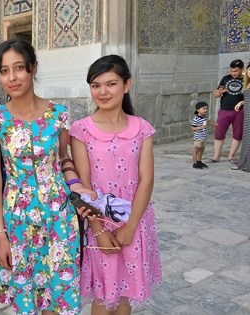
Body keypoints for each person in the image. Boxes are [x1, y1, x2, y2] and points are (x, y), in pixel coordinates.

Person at [0, 38, 86, 314]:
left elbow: (65, 159)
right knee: (26, 298)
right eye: (4, 71)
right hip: (17, 219)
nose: (12, 77)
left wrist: (82, 192)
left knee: (56, 296)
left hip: (59, 216)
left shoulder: (59, 114)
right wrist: (0, 234)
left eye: (19, 68)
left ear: (33, 68)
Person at [69, 55, 162, 315]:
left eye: (111, 84)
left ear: (127, 85)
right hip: (100, 222)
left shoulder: (142, 128)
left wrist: (131, 226)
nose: (103, 91)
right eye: (96, 85)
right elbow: (84, 185)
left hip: (136, 220)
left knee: (125, 297)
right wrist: (98, 229)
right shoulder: (81, 130)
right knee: (103, 295)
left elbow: (147, 179)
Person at [209, 59, 244, 164]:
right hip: (224, 110)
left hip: (239, 112)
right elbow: (215, 95)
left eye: (236, 71)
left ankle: (231, 156)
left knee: (237, 134)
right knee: (219, 133)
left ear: (241, 70)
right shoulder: (225, 79)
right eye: (232, 71)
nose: (233, 73)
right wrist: (219, 92)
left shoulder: (246, 79)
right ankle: (216, 156)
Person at [232, 63, 250, 171]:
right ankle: (243, 162)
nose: (249, 72)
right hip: (247, 112)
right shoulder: (247, 83)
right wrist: (242, 102)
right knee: (247, 137)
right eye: (248, 70)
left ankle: (247, 164)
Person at [191, 101, 209, 169]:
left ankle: (199, 161)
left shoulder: (204, 117)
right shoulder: (196, 119)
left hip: (203, 137)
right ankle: (195, 163)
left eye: (206, 108)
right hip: (198, 138)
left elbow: (207, 122)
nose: (205, 110)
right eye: (203, 109)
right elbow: (192, 128)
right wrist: (200, 127)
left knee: (202, 149)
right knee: (196, 150)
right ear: (198, 110)